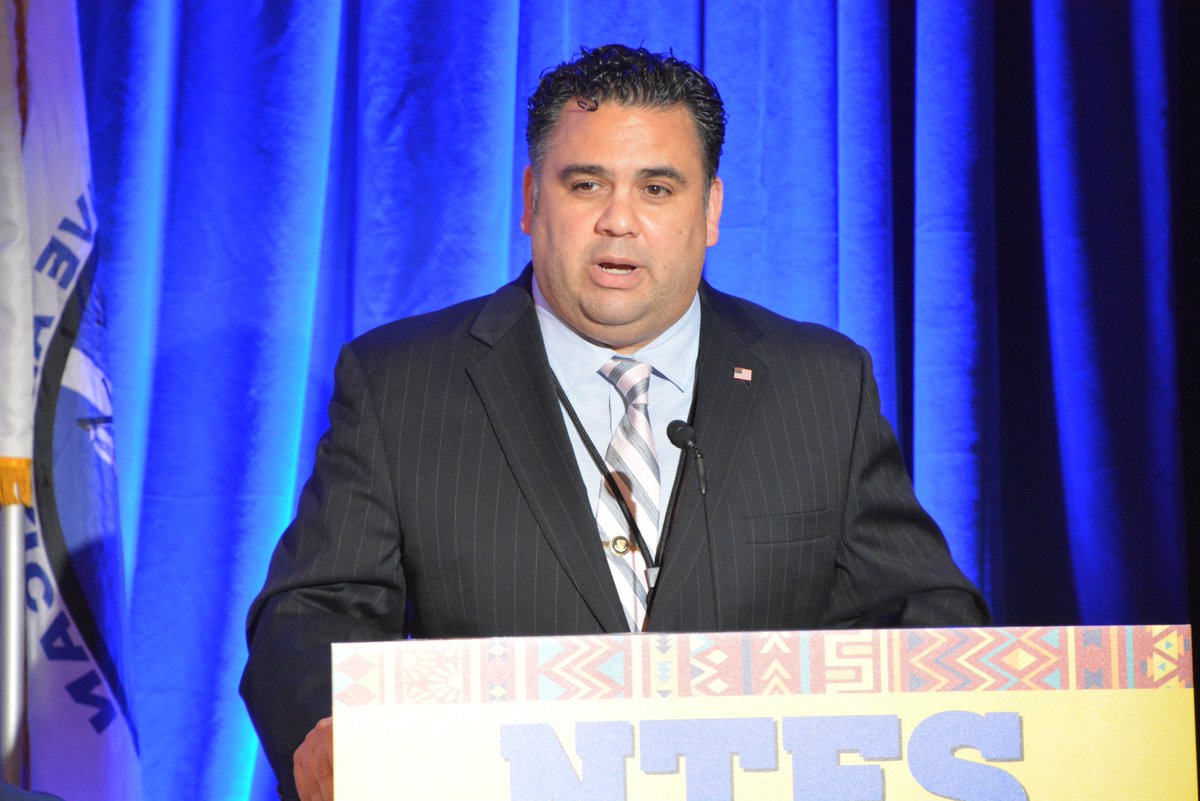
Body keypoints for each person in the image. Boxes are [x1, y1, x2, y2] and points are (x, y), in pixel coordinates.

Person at [241, 44, 988, 801]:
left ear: (711, 210)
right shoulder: (404, 383)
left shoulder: (821, 384)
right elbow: (311, 611)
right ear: (531, 199)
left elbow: (920, 611)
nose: (618, 221)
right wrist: (332, 731)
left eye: (657, 188)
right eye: (586, 184)